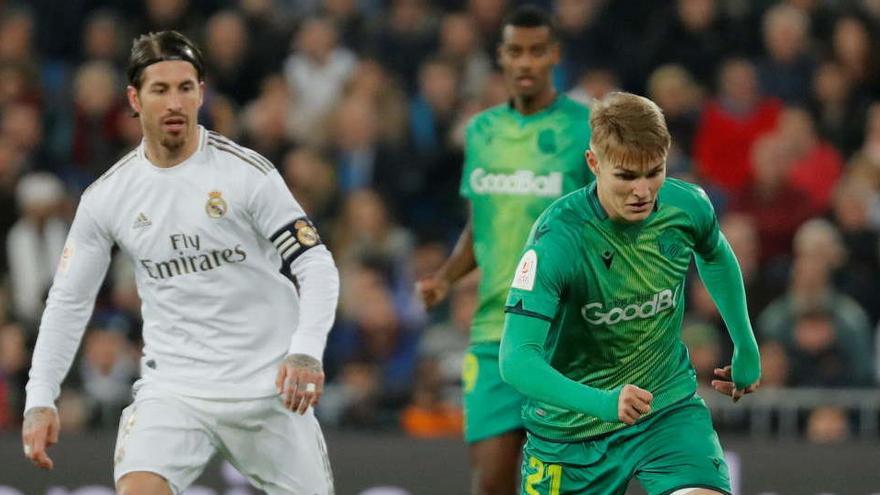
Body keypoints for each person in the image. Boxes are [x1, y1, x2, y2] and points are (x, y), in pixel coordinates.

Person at [21, 31, 339, 495]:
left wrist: (306, 350)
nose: (175, 102)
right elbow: (68, 300)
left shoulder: (246, 174)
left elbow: (316, 264)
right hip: (175, 390)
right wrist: (40, 397)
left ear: (200, 94)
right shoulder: (109, 196)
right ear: (135, 98)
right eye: (160, 89)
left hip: (268, 390)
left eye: (185, 88)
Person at [499, 92, 761, 495]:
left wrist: (745, 344)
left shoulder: (686, 207)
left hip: (666, 410)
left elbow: (716, 254)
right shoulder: (557, 240)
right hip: (570, 434)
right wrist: (604, 403)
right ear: (594, 164)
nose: (643, 190)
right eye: (626, 176)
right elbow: (516, 360)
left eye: (653, 172)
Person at [416, 6, 593, 494]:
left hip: (562, 338)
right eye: (516, 51)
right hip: (494, 330)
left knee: (561, 486)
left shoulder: (586, 127)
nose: (526, 63)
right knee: (489, 485)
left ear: (554, 55)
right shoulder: (482, 132)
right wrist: (446, 278)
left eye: (537, 51)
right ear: (501, 56)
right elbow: (481, 224)